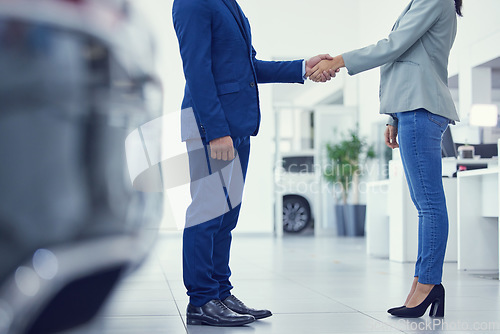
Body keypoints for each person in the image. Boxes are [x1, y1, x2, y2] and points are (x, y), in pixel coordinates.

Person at [172, 0, 334, 327]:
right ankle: (201, 300)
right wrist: (216, 132)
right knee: (207, 213)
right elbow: (197, 69)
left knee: (226, 217)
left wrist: (303, 65)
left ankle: (219, 291)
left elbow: (248, 67)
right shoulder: (192, 2)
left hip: (237, 127)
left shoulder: (227, 4)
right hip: (213, 128)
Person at [307, 0, 463, 318]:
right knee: (425, 204)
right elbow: (408, 58)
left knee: (429, 204)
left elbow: (393, 47)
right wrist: (393, 116)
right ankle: (422, 282)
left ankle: (428, 284)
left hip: (421, 109)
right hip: (411, 109)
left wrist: (339, 60)